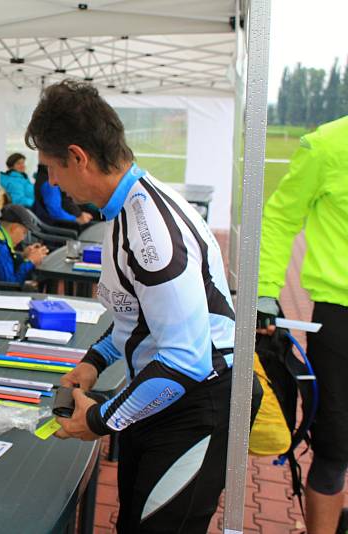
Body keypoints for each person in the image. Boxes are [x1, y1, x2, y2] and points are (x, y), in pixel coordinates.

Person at [26, 80, 238, 533]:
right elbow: (136, 316)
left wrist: (100, 418)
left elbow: (186, 358)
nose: (52, 182)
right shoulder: (128, 207)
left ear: (78, 157)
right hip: (165, 393)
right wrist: (94, 361)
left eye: (51, 168)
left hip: (197, 400)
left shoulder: (150, 231)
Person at [256, 115, 348, 534]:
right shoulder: (327, 144)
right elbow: (279, 218)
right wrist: (264, 291)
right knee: (334, 447)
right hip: (339, 319)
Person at [33, 163, 99, 230]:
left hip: (56, 222)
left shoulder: (43, 177)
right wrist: (76, 219)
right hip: (59, 228)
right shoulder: (50, 184)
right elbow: (56, 212)